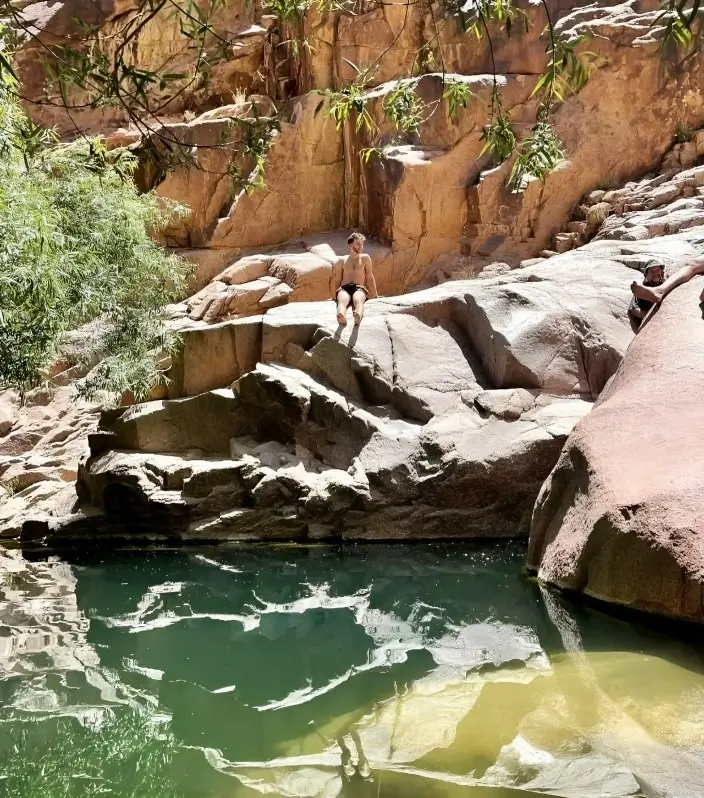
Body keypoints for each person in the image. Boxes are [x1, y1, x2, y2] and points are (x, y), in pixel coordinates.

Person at [333, 232, 378, 326]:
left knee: (358, 299)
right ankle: (341, 315)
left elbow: (370, 277)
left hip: (359, 288)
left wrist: (375, 295)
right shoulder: (342, 261)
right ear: (350, 244)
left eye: (362, 244)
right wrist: (334, 297)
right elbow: (337, 280)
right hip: (344, 288)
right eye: (358, 244)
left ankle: (357, 315)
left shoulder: (366, 258)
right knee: (342, 300)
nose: (361, 246)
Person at [631, 253, 704, 310]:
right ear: (646, 274)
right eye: (652, 271)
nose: (656, 273)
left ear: (662, 272)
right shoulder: (642, 288)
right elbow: (634, 310)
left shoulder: (667, 282)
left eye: (657, 270)